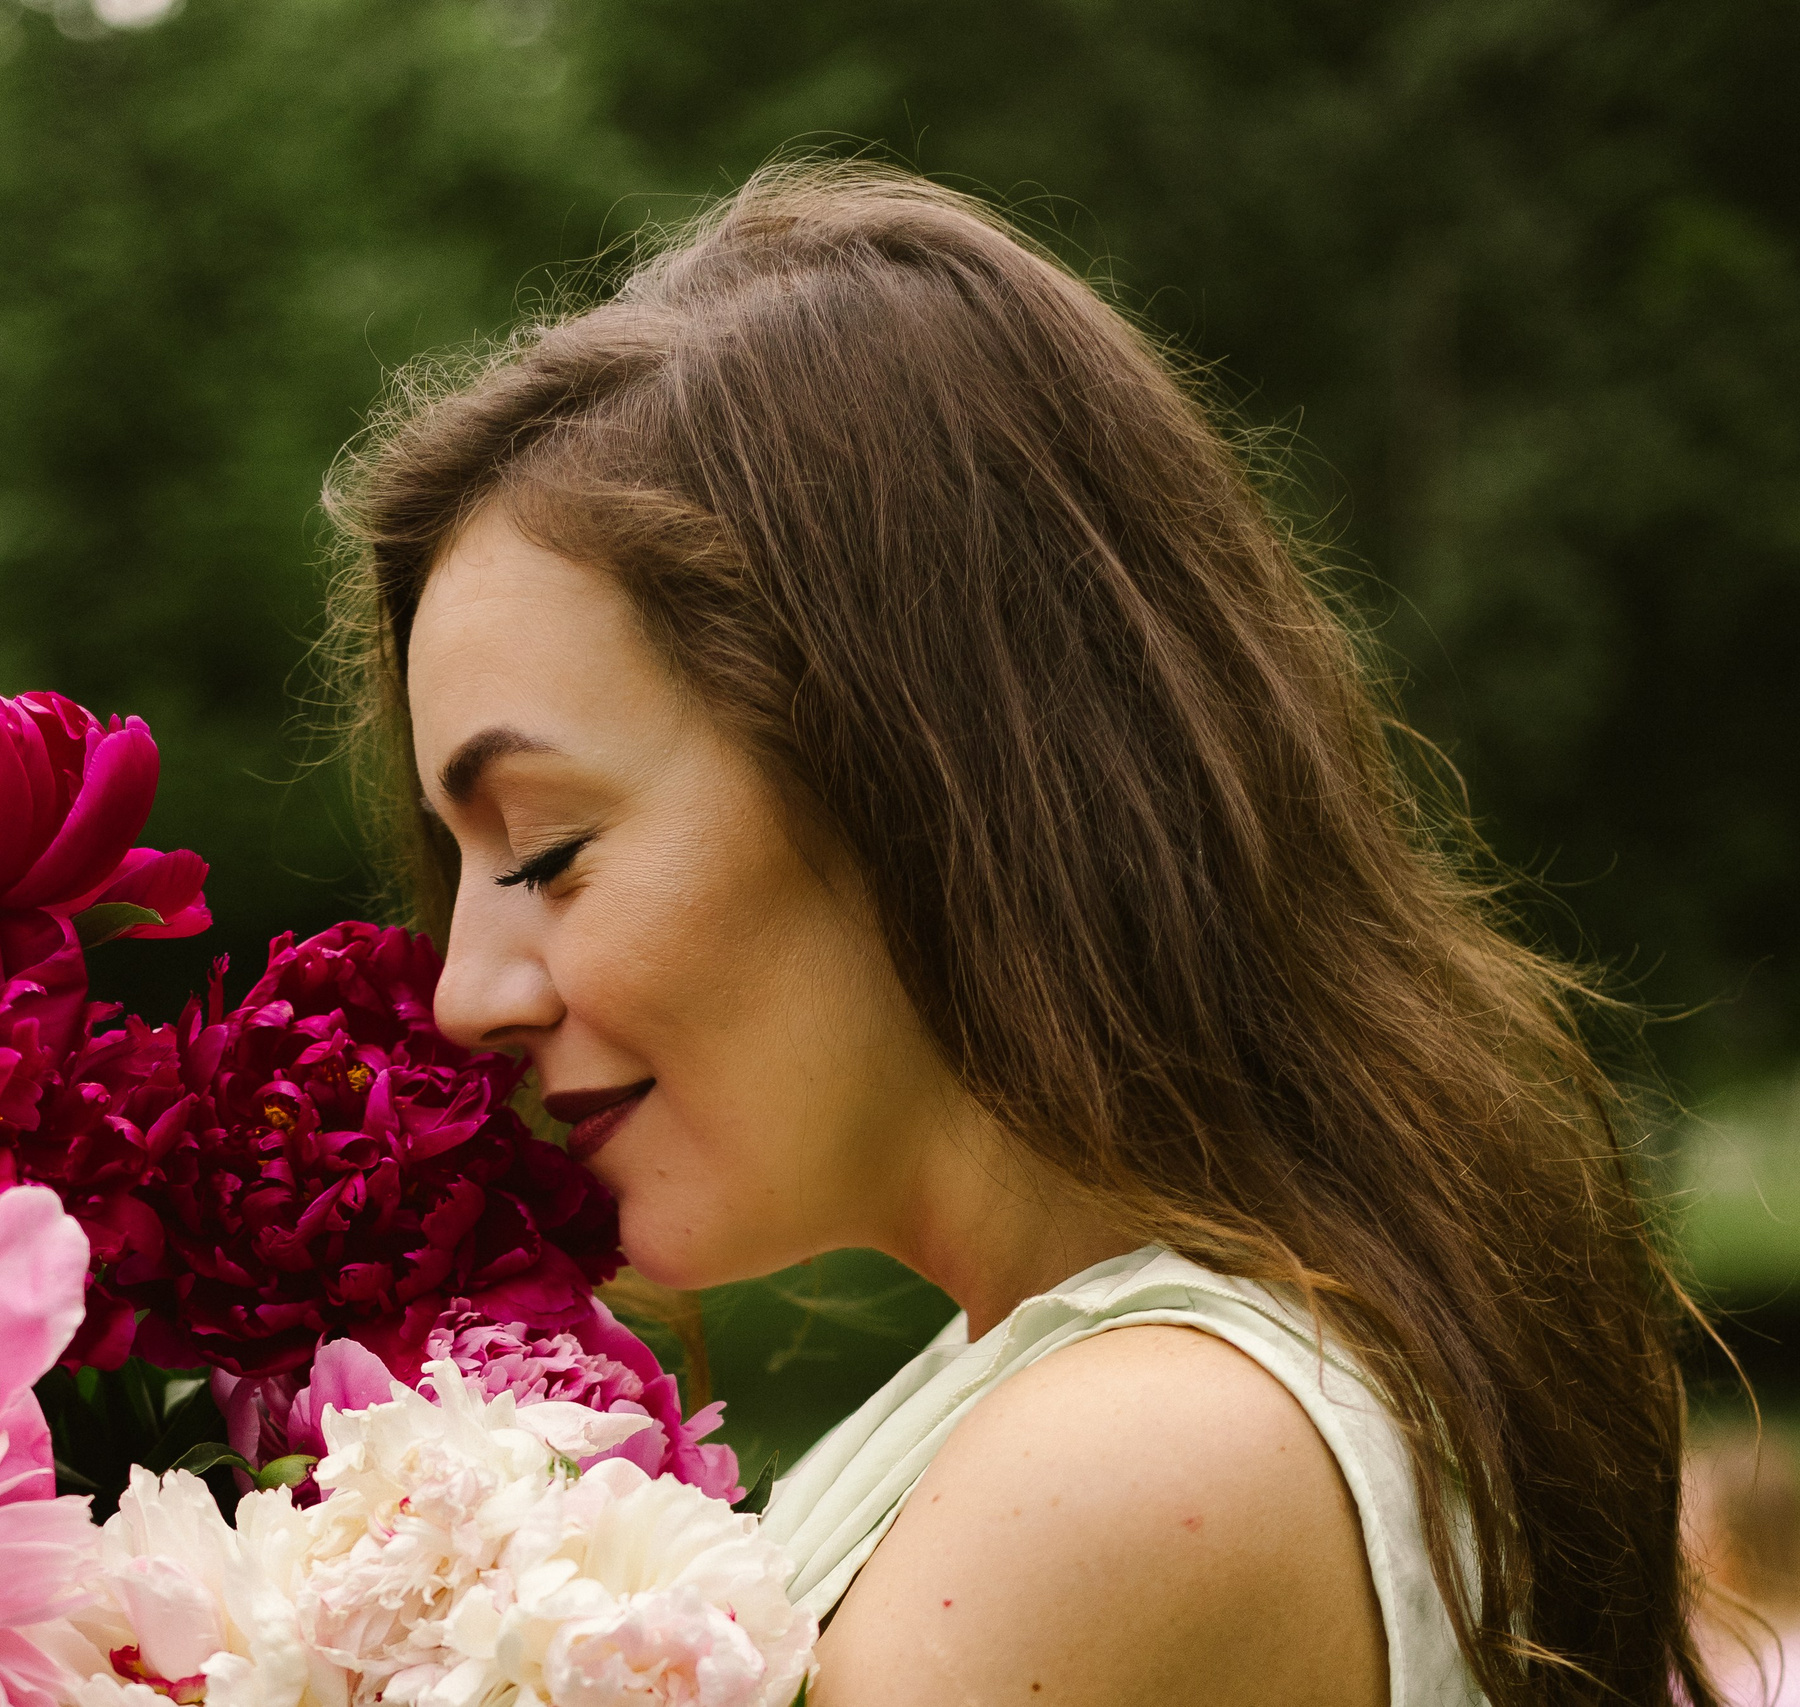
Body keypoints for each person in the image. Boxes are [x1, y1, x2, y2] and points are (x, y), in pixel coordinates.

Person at [321, 162, 1714, 1705]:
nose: (462, 996)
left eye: (551, 848)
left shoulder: (1134, 1459)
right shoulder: (1128, 1381)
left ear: (913, 760)